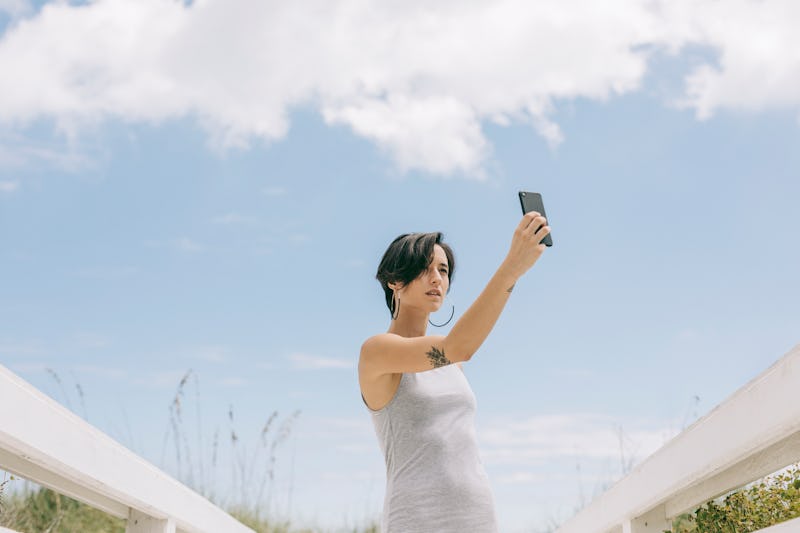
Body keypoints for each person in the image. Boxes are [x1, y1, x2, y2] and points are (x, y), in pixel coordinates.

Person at [358, 211, 551, 532]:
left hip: (477, 514)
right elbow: (459, 346)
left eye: (443, 270)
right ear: (394, 280)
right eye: (424, 268)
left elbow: (456, 350)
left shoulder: (452, 364)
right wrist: (512, 268)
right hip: (416, 518)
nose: (437, 278)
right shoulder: (377, 352)